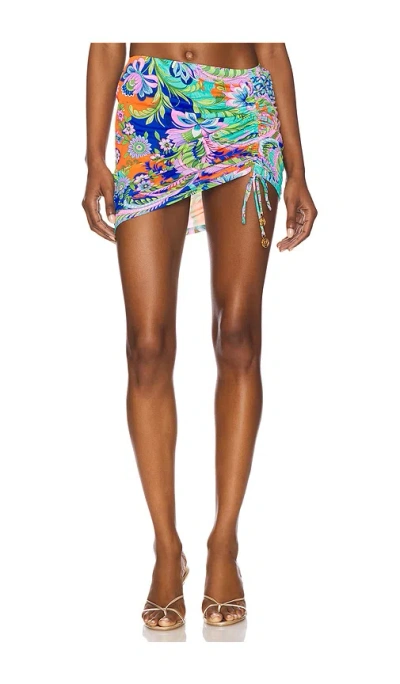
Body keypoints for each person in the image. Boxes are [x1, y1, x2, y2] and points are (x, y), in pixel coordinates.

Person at [82, 42, 318, 631]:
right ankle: (167, 550)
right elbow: (107, 38)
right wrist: (93, 155)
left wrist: (297, 166)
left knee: (239, 336)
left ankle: (224, 544)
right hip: (151, 109)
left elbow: (271, 43)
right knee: (146, 346)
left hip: (245, 113)